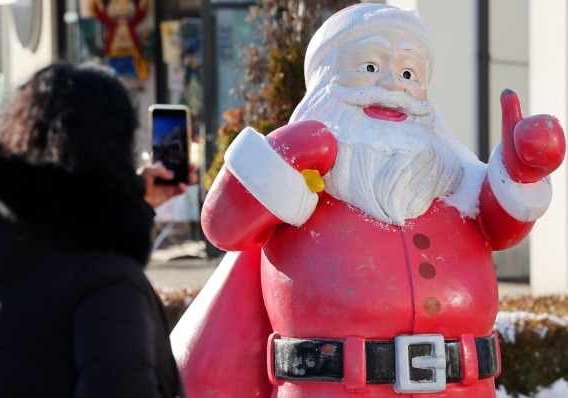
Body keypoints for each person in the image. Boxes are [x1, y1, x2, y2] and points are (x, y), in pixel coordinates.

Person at [170, 4, 565, 398]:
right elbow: (222, 225)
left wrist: (520, 172)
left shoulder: (451, 179)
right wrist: (282, 154)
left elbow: (502, 224)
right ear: (327, 82)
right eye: (369, 67)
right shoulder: (297, 187)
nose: (393, 86)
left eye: (410, 73)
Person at [0, 62, 188, 397]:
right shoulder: (104, 279)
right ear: (115, 150)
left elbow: (64, 216)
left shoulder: (4, 245)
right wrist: (120, 205)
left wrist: (131, 201)